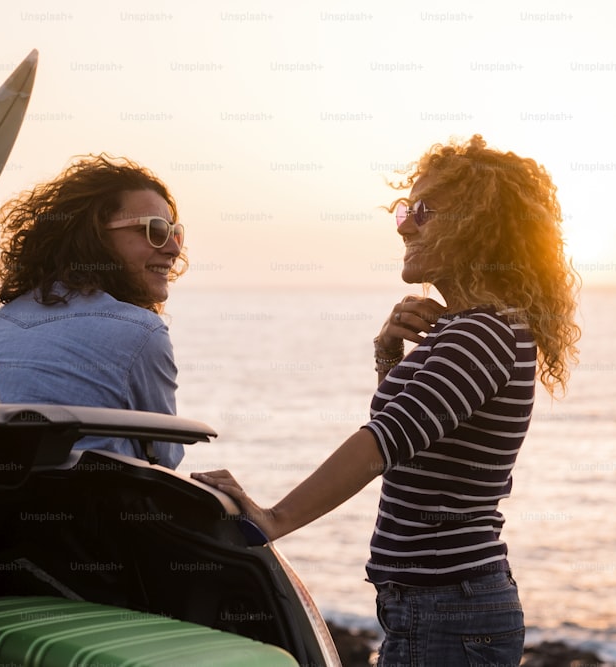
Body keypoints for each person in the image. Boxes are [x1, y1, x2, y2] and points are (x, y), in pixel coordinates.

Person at [193, 135, 580, 666]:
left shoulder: (484, 334)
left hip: (450, 610)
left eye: (425, 211)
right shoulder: (472, 330)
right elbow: (418, 442)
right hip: (434, 605)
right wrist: (387, 354)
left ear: (479, 226)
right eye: (405, 209)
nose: (404, 224)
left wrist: (273, 519)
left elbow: (385, 441)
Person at [0, 154, 188, 469]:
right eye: (155, 230)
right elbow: (165, 458)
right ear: (96, 236)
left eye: (175, 233)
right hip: (87, 510)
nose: (173, 248)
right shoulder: (142, 332)